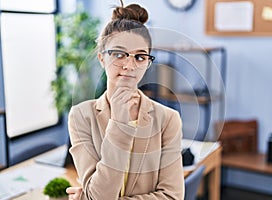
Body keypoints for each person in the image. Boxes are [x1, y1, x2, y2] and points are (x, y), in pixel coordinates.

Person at [67, 1, 184, 199]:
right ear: (102, 58)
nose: (129, 65)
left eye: (140, 57)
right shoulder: (81, 116)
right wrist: (119, 123)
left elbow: (172, 197)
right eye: (119, 54)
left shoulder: (168, 119)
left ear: (147, 63)